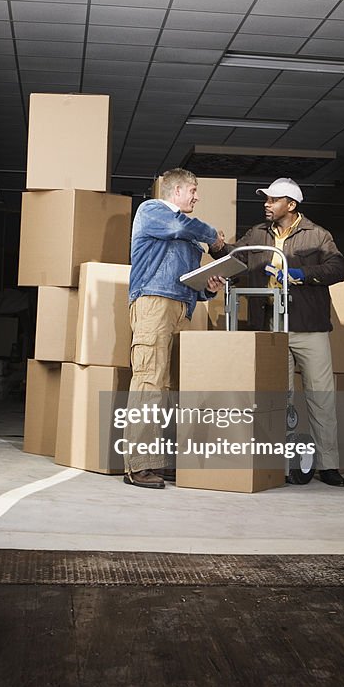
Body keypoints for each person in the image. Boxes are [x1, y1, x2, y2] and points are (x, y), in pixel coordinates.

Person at [210, 177, 344, 487]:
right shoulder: (257, 234)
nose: (266, 204)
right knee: (277, 399)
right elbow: (235, 257)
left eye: (273, 200)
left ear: (291, 205)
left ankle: (328, 466)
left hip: (308, 327)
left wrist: (300, 273)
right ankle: (281, 465)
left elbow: (338, 269)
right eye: (267, 199)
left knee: (320, 397)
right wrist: (219, 247)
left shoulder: (317, 235)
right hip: (271, 328)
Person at [125, 169, 225, 489]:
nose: (196, 196)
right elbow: (178, 226)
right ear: (176, 190)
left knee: (170, 389)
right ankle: (139, 465)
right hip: (153, 303)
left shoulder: (189, 232)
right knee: (149, 381)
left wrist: (208, 288)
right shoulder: (153, 211)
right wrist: (214, 237)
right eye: (193, 190)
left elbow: (189, 277)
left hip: (182, 307)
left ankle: (161, 460)